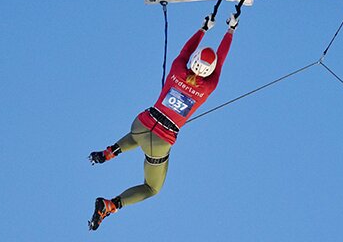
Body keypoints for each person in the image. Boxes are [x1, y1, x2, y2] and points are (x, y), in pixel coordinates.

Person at [87, 13, 240, 230]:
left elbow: (187, 51)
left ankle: (109, 152)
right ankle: (110, 205)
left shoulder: (178, 68)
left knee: (138, 136)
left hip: (142, 122)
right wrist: (229, 32)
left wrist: (205, 29)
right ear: (209, 70)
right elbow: (221, 60)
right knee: (152, 188)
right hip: (160, 141)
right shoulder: (207, 87)